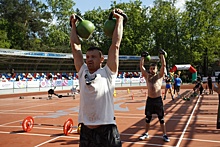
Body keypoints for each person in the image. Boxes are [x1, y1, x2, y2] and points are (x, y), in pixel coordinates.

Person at [69, 8, 124, 147]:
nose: (89, 60)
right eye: (87, 57)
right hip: (86, 131)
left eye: (93, 57)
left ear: (102, 59)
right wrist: (73, 25)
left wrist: (119, 20)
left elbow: (115, 45)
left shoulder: (108, 72)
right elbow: (76, 48)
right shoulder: (82, 71)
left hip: (107, 130)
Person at [139, 49, 170, 142]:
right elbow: (141, 66)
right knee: (147, 118)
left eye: (153, 69)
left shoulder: (159, 76)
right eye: (151, 69)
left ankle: (164, 135)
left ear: (156, 70)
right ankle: (146, 133)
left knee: (161, 119)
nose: (151, 70)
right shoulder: (147, 76)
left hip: (158, 100)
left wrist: (162, 56)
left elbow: (163, 66)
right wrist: (142, 57)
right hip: (150, 100)